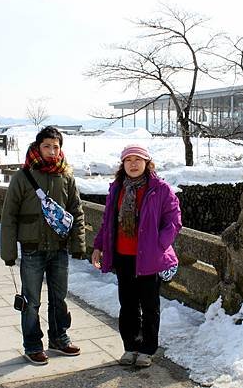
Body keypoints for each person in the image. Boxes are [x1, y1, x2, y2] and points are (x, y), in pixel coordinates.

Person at [0, 126, 86, 366]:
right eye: (47, 146)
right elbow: (9, 216)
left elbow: (76, 212)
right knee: (31, 301)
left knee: (59, 298)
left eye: (55, 147)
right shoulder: (23, 176)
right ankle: (32, 345)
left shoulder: (66, 176)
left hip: (58, 249)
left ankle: (59, 338)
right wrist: (8, 251)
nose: (51, 151)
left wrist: (78, 244)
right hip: (32, 249)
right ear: (38, 147)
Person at [91, 144, 181, 368]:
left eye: (138, 159)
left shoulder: (160, 189)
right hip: (123, 257)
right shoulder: (117, 188)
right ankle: (130, 346)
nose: (133, 164)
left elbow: (174, 220)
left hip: (149, 259)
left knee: (150, 306)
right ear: (122, 164)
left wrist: (159, 244)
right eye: (128, 160)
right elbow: (108, 222)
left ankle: (147, 349)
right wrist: (98, 246)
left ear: (147, 163)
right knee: (128, 305)